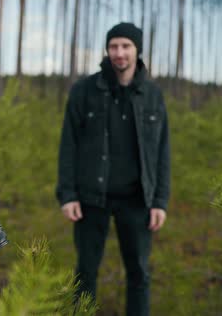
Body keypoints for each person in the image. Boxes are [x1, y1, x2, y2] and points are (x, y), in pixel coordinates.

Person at [56, 22, 170, 316]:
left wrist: (159, 201)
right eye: (114, 46)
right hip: (91, 199)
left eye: (126, 46)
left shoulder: (152, 95)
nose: (119, 53)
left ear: (137, 50)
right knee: (85, 273)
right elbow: (68, 145)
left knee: (139, 274)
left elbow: (161, 152)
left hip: (137, 199)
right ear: (107, 50)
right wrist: (67, 194)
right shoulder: (85, 91)